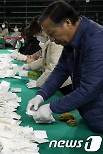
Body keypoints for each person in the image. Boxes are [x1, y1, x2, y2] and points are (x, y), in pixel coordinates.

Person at [27, 0, 103, 133]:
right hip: (90, 115)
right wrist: (41, 95)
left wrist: (52, 108)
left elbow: (88, 89)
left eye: (52, 33)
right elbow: (60, 70)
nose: (51, 39)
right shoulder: (71, 41)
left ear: (68, 23)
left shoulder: (96, 40)